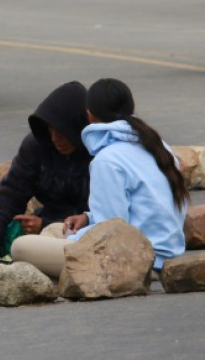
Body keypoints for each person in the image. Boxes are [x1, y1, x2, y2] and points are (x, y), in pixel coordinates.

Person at [12, 78, 189, 277]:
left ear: (89, 115)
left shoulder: (107, 160)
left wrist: (77, 238)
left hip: (133, 262)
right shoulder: (159, 146)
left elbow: (111, 232)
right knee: (54, 229)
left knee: (20, 247)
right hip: (168, 256)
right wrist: (87, 218)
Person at [0, 81, 92, 265]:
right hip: (50, 226)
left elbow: (100, 213)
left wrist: (46, 224)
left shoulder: (98, 154)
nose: (54, 139)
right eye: (50, 131)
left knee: (22, 249)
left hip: (87, 231)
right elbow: (9, 193)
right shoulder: (38, 145)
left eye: (61, 132)